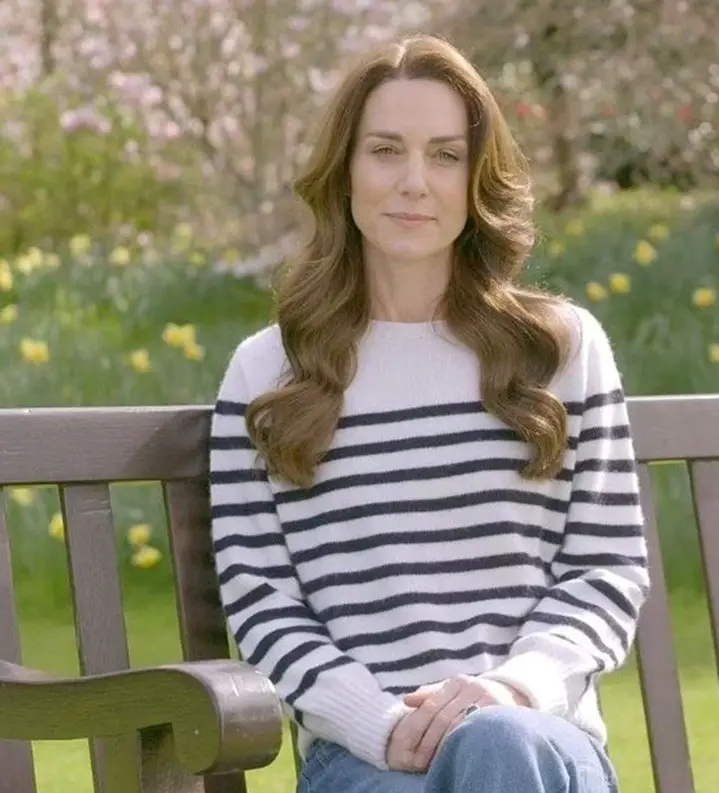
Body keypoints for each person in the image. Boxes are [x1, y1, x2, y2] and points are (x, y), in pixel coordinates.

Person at [209, 33, 649, 793]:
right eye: (386, 151)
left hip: (538, 740)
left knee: (499, 746)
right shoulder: (269, 372)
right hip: (365, 757)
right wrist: (381, 723)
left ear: (477, 180)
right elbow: (261, 599)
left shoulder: (560, 350)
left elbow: (606, 568)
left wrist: (510, 689)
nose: (414, 182)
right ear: (344, 170)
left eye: (445, 156)